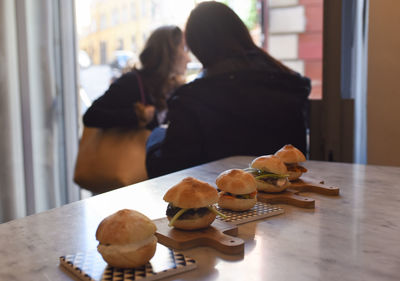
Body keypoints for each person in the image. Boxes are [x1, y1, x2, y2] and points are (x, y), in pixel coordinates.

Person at [146, 1, 311, 178]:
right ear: (241, 33)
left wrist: (155, 136)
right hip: (286, 195)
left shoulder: (192, 99)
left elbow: (168, 168)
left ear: (198, 48)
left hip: (220, 199)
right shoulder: (289, 83)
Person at [83, 25, 190, 130]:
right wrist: (137, 116)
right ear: (168, 53)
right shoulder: (132, 82)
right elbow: (91, 116)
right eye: (184, 49)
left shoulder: (177, 89)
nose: (188, 58)